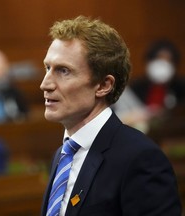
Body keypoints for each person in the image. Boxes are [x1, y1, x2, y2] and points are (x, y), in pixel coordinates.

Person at [40, 16, 181, 215]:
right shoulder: (63, 155)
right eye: (47, 68)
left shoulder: (141, 158)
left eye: (63, 71)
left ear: (104, 85)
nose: (45, 84)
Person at [131, 39, 185, 115]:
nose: (162, 65)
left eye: (168, 61)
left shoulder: (181, 88)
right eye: (159, 59)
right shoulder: (136, 87)